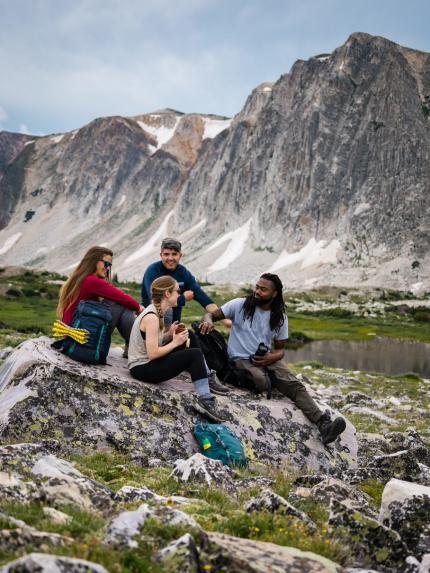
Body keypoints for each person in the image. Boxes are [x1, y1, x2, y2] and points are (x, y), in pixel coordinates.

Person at [201, 273, 346, 445]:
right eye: (257, 287)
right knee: (261, 381)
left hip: (266, 359)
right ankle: (273, 382)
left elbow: (281, 350)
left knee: (294, 385)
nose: (257, 292)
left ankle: (324, 424)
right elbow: (210, 315)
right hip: (239, 359)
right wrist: (208, 321)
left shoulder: (280, 317)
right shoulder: (239, 304)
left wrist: (271, 357)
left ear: (274, 294)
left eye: (263, 289)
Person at [128, 275, 225, 422]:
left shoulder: (157, 311)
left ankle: (207, 376)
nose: (179, 294)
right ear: (167, 294)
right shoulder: (152, 317)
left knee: (189, 335)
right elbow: (153, 353)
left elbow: (153, 341)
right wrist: (175, 343)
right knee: (194, 354)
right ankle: (206, 400)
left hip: (146, 363)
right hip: (142, 368)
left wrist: (169, 334)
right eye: (177, 291)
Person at [57, 246, 143, 344]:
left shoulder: (80, 278)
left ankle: (133, 344)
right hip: (81, 338)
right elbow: (123, 298)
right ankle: (137, 344)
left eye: (109, 265)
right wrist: (139, 308)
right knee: (119, 302)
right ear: (94, 261)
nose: (107, 268)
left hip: (73, 337)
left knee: (122, 302)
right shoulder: (91, 281)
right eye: (106, 264)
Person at [141, 237, 229, 325]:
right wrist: (183, 298)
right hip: (152, 323)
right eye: (166, 254)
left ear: (180, 255)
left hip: (174, 326)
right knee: (168, 311)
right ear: (161, 255)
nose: (170, 258)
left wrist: (225, 321)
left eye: (174, 254)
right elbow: (157, 301)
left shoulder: (183, 273)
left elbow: (203, 298)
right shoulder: (152, 271)